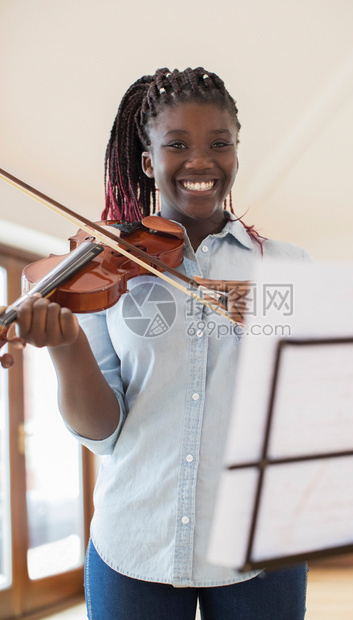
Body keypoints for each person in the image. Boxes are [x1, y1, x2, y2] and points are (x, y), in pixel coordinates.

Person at [13, 68, 310, 619]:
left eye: (219, 144)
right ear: (148, 161)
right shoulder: (105, 267)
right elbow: (104, 432)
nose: (201, 161)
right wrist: (65, 346)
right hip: (134, 542)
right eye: (177, 145)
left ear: (237, 154)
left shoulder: (285, 268)